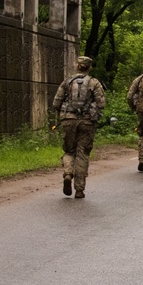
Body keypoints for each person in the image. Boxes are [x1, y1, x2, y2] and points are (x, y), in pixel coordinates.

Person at [51, 55, 105, 199]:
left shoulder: (67, 82)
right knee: (82, 153)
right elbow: (101, 104)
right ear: (89, 67)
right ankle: (79, 190)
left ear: (77, 66)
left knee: (69, 151)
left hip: (68, 120)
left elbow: (56, 103)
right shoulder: (94, 83)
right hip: (87, 122)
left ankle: (68, 173)